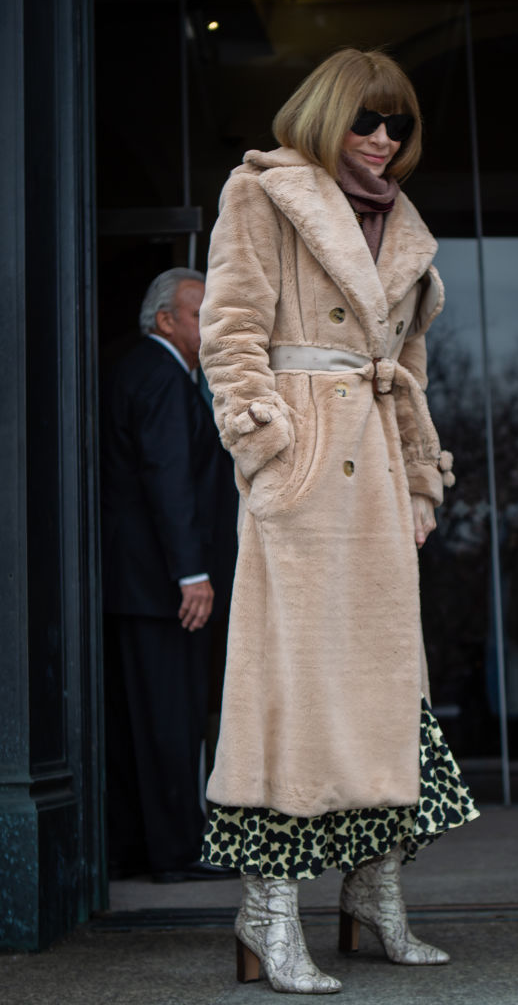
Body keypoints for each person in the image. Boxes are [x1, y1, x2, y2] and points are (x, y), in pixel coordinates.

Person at [199, 49, 479, 994]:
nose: (384, 141)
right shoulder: (263, 194)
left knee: (389, 698)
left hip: (377, 482)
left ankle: (373, 897)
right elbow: (230, 328)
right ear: (326, 119)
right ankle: (267, 914)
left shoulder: (404, 229)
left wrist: (417, 488)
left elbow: (410, 372)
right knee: (293, 700)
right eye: (367, 121)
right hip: (307, 472)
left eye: (398, 126)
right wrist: (266, 445)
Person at [101, 267, 237, 883]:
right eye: (200, 314)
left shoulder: (146, 372)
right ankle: (176, 851)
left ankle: (140, 848)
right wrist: (192, 574)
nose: (210, 327)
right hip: (163, 590)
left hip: (141, 587)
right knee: (168, 721)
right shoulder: (162, 377)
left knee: (143, 722)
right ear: (165, 321)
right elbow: (168, 480)